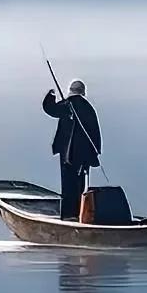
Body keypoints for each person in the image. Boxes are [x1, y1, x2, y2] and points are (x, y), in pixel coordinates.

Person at [43, 78, 102, 219]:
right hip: (85, 156)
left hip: (68, 155)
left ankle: (68, 215)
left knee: (68, 184)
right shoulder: (89, 108)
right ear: (83, 92)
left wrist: (50, 95)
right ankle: (81, 213)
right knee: (80, 185)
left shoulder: (68, 105)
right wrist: (95, 154)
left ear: (70, 91)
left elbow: (50, 109)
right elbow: (95, 132)